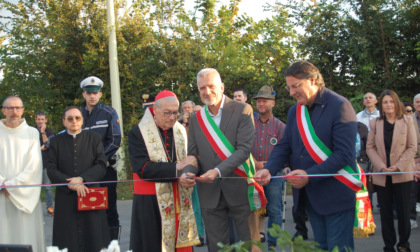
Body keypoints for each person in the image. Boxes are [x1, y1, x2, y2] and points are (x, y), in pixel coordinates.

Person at [255, 61, 361, 252]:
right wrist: (268, 168)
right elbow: (284, 146)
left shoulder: (340, 106)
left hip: (336, 195)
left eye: (296, 86)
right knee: (320, 248)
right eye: (289, 87)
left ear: (312, 80)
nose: (291, 92)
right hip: (310, 197)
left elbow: (344, 154)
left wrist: (308, 175)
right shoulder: (295, 110)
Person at [180, 68, 264, 252]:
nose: (207, 91)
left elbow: (244, 150)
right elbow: (193, 155)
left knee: (250, 244)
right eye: (202, 88)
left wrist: (217, 172)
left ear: (222, 86)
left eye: (211, 86)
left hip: (240, 187)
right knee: (217, 247)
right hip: (210, 192)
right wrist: (187, 172)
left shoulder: (243, 110)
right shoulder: (196, 119)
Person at [128, 90, 200, 251]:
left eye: (175, 113)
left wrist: (188, 172)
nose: (172, 117)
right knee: (153, 243)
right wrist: (177, 168)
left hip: (179, 198)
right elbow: (143, 169)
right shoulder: (138, 133)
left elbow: (190, 159)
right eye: (167, 113)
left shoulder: (180, 130)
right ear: (155, 110)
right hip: (151, 201)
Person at [47, 106, 110, 252]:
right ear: (64, 122)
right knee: (68, 236)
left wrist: (82, 179)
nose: (74, 121)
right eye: (70, 119)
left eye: (77, 118)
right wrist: (71, 184)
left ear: (82, 120)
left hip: (90, 192)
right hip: (66, 195)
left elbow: (101, 165)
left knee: (94, 235)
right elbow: (51, 169)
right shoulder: (56, 141)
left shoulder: (94, 138)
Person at [366, 90, 417, 252]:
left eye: (391, 101)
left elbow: (412, 147)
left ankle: (403, 244)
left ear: (397, 103)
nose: (388, 105)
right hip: (382, 175)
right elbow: (370, 147)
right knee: (386, 214)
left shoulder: (408, 121)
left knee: (403, 213)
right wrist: (381, 166)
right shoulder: (375, 123)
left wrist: (399, 166)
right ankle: (388, 246)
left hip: (402, 173)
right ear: (381, 105)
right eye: (385, 102)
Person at [0, 96, 45, 252]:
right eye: (10, 108)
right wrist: (2, 183)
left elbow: (34, 165)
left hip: (25, 194)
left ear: (23, 110)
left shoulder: (32, 133)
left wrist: (11, 185)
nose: (14, 112)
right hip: (1, 193)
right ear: (3, 110)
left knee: (26, 234)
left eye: (18, 108)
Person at [80, 76, 122, 240]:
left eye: (95, 92)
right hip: (84, 171)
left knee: (109, 209)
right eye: (89, 92)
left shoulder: (109, 113)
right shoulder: (78, 115)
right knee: (87, 209)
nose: (92, 96)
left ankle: (112, 246)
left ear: (100, 94)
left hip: (106, 170)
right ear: (84, 94)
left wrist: (99, 160)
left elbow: (115, 139)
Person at [251, 85, 286, 248]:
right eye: (259, 101)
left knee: (274, 210)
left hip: (274, 174)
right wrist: (256, 164)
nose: (261, 104)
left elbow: (285, 151)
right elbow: (243, 146)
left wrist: (271, 167)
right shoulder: (250, 123)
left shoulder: (280, 126)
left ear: (273, 103)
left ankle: (274, 245)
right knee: (252, 209)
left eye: (264, 101)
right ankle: (253, 244)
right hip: (252, 172)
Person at [35, 111, 55, 216]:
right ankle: (33, 208)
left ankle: (49, 207)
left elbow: (47, 145)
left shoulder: (50, 133)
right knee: (34, 187)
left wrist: (43, 133)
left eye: (42, 119)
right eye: (38, 119)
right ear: (35, 120)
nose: (40, 121)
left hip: (46, 163)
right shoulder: (31, 131)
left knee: (48, 187)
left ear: (46, 120)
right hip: (33, 165)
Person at [410, 94, 420, 229]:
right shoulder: (407, 120)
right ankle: (411, 218)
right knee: (411, 192)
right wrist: (414, 162)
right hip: (412, 162)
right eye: (417, 102)